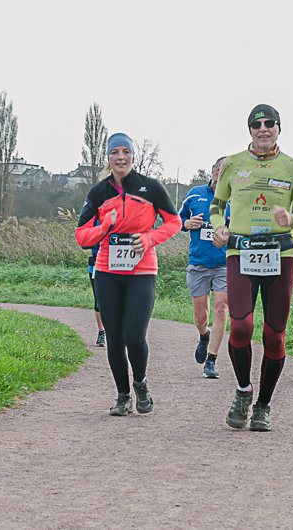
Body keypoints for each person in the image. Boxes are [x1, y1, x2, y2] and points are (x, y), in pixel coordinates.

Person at [210, 104, 293, 431]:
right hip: (240, 251)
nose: (263, 129)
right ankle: (244, 391)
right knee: (241, 327)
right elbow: (217, 206)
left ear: (279, 128)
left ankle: (263, 406)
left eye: (269, 123)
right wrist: (218, 227)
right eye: (256, 125)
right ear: (250, 130)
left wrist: (292, 220)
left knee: (274, 336)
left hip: (280, 254)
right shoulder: (232, 164)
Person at [75, 132, 181, 416]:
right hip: (107, 271)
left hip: (142, 271)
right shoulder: (99, 192)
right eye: (114, 152)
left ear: (133, 156)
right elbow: (81, 236)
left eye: (125, 152)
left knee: (134, 335)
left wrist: (149, 239)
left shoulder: (150, 187)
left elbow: (174, 222)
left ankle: (140, 383)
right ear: (108, 158)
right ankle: (123, 396)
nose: (120, 157)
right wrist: (104, 228)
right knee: (114, 338)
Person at [179, 156, 229, 378]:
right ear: (213, 170)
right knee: (201, 317)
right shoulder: (195, 194)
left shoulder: (235, 200)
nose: (221, 174)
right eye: (219, 170)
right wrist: (187, 224)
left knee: (221, 307)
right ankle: (204, 335)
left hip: (224, 264)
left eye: (227, 172)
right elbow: (176, 220)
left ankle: (211, 359)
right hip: (198, 263)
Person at [87, 240, 106, 347]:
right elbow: (85, 242)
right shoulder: (96, 226)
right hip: (96, 264)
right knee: (99, 302)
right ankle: (101, 332)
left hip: (118, 265)